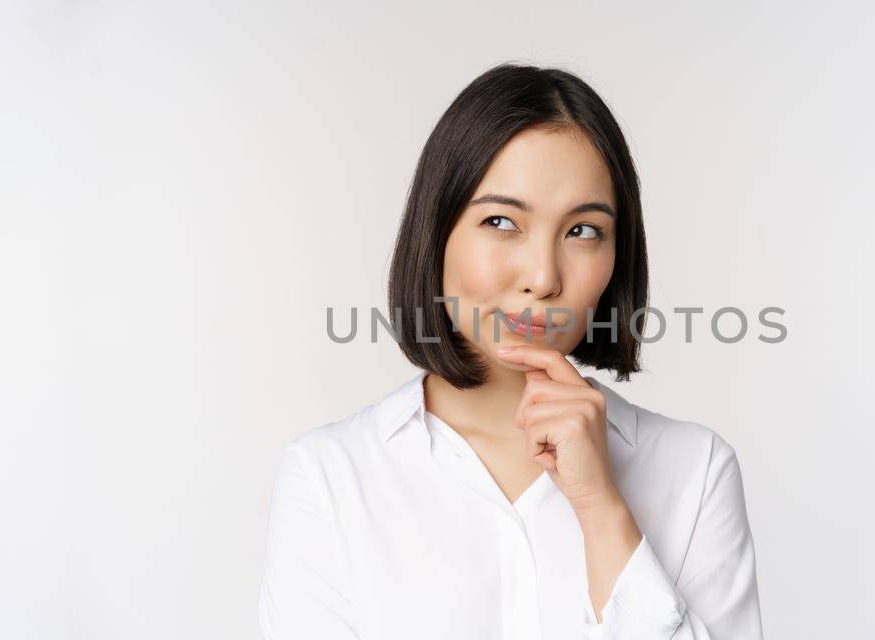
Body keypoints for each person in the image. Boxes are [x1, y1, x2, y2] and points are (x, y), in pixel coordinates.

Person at [258, 63, 763, 639]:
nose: (543, 277)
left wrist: (601, 508)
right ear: (437, 230)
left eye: (583, 231)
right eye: (501, 221)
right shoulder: (331, 476)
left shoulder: (695, 472)